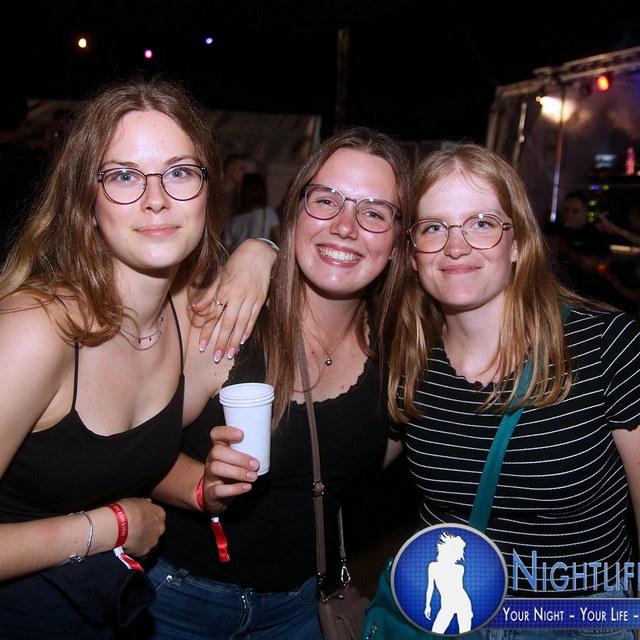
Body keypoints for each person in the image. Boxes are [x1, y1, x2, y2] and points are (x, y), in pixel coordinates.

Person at [0, 75, 271, 638]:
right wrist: (112, 526)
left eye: (180, 172)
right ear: (85, 199)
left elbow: (113, 459)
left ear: (208, 188)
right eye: (124, 175)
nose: (156, 198)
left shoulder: (187, 317)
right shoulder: (37, 329)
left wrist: (202, 487)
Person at [136, 126, 412, 640]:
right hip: (177, 603)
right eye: (325, 200)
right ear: (295, 210)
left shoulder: (400, 349)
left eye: (374, 213)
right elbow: (126, 454)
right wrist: (201, 487)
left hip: (302, 609)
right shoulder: (226, 322)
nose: (345, 226)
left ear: (398, 240)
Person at [387, 142, 640, 639]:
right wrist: (262, 256)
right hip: (450, 619)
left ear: (518, 243)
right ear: (413, 253)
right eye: (433, 227)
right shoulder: (406, 359)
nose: (456, 246)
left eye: (482, 223)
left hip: (576, 620)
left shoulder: (605, 344)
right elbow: (333, 459)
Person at [222, 172, 281, 251]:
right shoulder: (268, 213)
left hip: (238, 256)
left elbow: (226, 247)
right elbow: (280, 240)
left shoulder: (233, 218)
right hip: (259, 255)